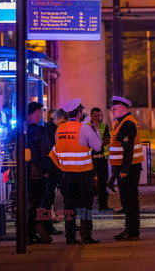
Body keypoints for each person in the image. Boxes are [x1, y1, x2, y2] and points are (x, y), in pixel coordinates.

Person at [49, 98, 102, 245]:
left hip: (66, 174)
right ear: (79, 113)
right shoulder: (84, 128)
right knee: (85, 206)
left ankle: (70, 237)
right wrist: (96, 130)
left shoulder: (59, 129)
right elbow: (98, 147)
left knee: (69, 206)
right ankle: (86, 236)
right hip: (83, 173)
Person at [109, 96, 144, 241]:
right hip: (127, 168)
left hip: (128, 169)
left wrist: (124, 170)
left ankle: (132, 231)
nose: (112, 112)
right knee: (128, 201)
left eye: (115, 109)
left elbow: (128, 149)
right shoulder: (122, 122)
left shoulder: (127, 124)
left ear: (123, 108)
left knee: (129, 201)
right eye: (112, 109)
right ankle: (129, 229)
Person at [26, 102, 53, 244]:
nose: (41, 116)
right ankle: (32, 231)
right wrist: (47, 170)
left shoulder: (18, 130)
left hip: (22, 173)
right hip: (37, 173)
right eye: (40, 113)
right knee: (37, 204)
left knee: (28, 202)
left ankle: (29, 231)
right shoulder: (40, 131)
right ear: (36, 113)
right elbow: (45, 153)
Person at [42, 108, 69, 235]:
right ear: (56, 118)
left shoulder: (55, 127)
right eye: (62, 122)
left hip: (58, 167)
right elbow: (51, 148)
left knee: (66, 195)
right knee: (48, 198)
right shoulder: (49, 128)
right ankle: (46, 226)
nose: (63, 125)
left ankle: (69, 223)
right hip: (52, 168)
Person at [87, 107, 111, 211]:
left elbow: (107, 139)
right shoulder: (86, 127)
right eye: (95, 115)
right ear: (91, 115)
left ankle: (103, 206)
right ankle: (88, 206)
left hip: (102, 158)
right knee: (89, 184)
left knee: (103, 183)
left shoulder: (104, 126)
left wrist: (98, 141)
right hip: (91, 159)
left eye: (99, 115)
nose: (97, 118)